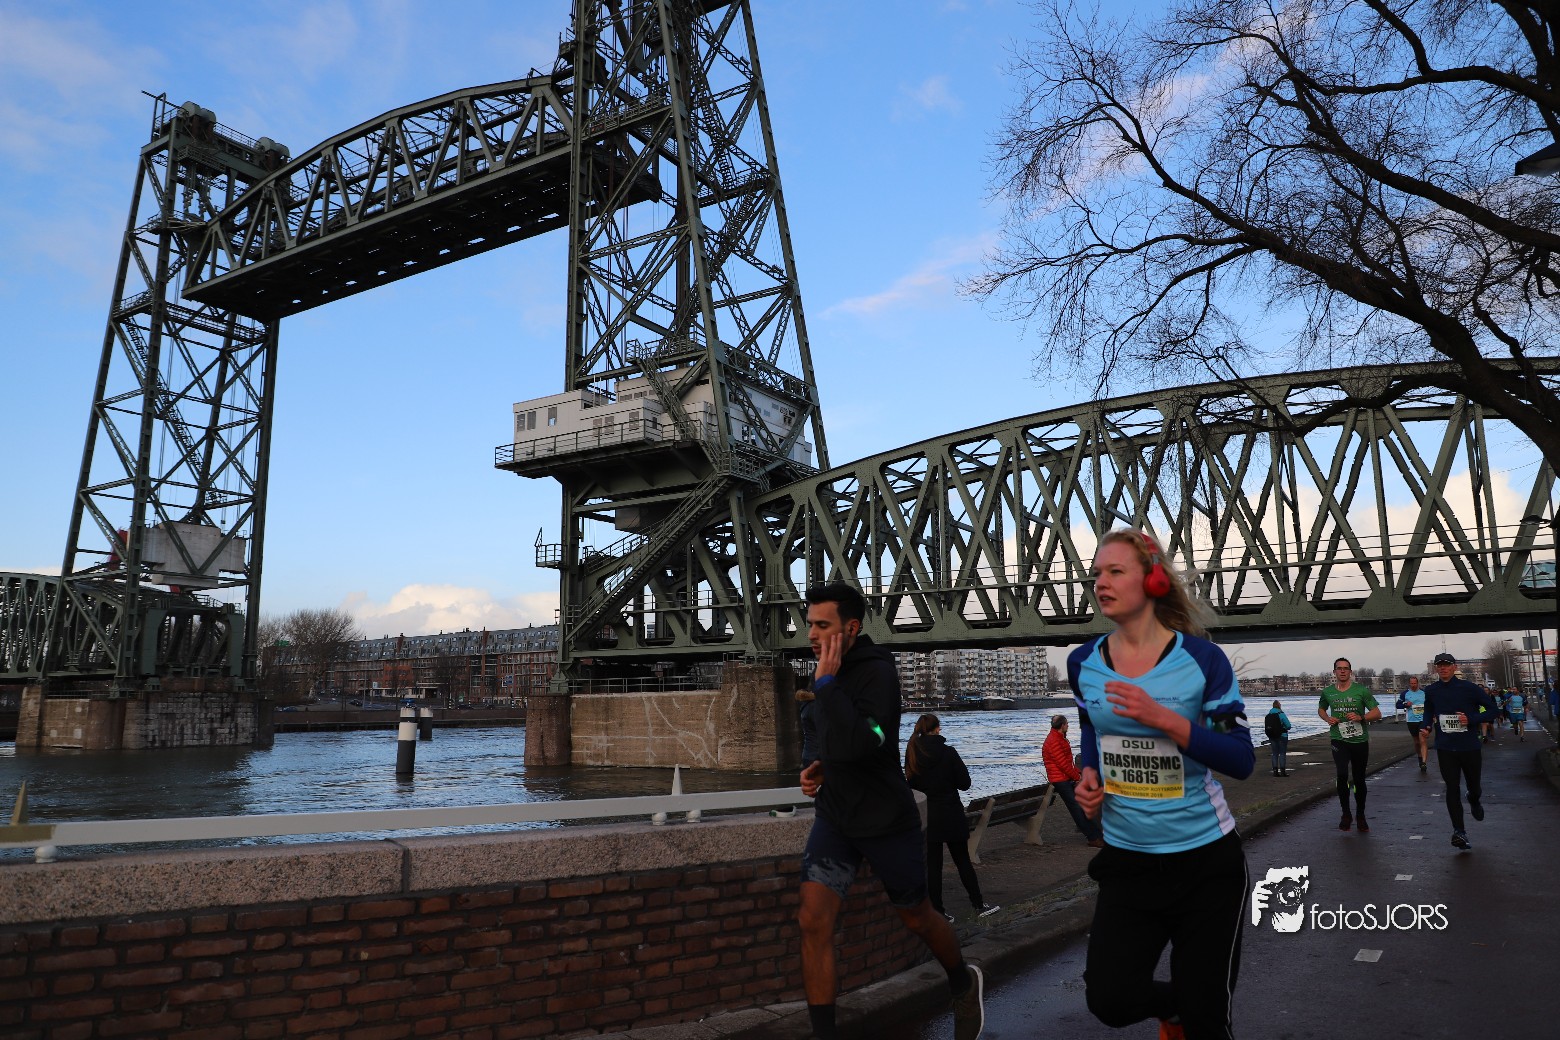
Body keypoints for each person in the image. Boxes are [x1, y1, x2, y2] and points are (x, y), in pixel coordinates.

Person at [1070, 529, 1254, 1040]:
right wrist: (1090, 775)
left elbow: (1241, 759)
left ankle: (1196, 1012)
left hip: (1205, 864)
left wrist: (1164, 719)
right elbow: (1091, 728)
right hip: (1128, 862)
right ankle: (1178, 1007)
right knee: (1110, 1000)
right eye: (1096, 573)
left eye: (1115, 571)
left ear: (1152, 580)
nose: (1100, 582)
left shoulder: (1202, 660)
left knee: (1208, 1024)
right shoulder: (1083, 662)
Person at [795, 582, 985, 1040]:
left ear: (851, 628)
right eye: (810, 625)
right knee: (812, 921)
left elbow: (868, 740)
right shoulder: (827, 674)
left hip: (884, 819)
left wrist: (825, 685)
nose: (812, 635)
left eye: (822, 625)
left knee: (916, 916)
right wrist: (818, 767)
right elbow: (831, 738)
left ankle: (962, 980)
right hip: (836, 817)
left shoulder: (876, 673)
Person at [905, 714, 999, 921]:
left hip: (928, 815)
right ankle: (978, 904)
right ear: (937, 728)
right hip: (950, 812)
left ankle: (938, 911)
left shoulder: (912, 753)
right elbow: (965, 783)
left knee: (933, 866)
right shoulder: (948, 752)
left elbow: (910, 785)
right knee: (962, 860)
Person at [1422, 652, 1487, 851]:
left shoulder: (1469, 688)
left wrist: (1471, 719)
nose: (1443, 668)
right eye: (1439, 665)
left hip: (1469, 746)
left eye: (1446, 665)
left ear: (1454, 667)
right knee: (1452, 787)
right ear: (1436, 668)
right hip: (1445, 747)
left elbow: (1492, 709)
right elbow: (1428, 711)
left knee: (1474, 787)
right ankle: (1459, 831)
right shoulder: (1431, 690)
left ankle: (1474, 799)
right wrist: (1426, 726)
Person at [1317, 658, 1382, 832]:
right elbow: (1321, 709)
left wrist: (1362, 717)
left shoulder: (1361, 690)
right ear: (1334, 672)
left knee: (1359, 779)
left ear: (1350, 672)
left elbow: (1377, 713)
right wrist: (1327, 718)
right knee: (1342, 774)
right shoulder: (1328, 692)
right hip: (1338, 739)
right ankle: (1346, 813)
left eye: (1346, 668)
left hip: (1359, 740)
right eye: (1339, 668)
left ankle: (1360, 815)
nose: (1342, 671)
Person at [1042, 714, 1104, 846]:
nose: (1068, 726)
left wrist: (1078, 773)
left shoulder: (1058, 738)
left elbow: (1067, 763)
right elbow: (1063, 764)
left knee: (1081, 806)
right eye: (1067, 724)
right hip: (1060, 779)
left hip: (1063, 777)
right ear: (1062, 725)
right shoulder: (1054, 741)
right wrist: (1077, 777)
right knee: (1076, 808)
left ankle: (1096, 834)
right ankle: (1093, 837)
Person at [1399, 675, 1428, 774]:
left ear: (1418, 683)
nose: (1413, 685)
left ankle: (1424, 762)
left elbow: (1430, 704)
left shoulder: (1424, 693)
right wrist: (1405, 704)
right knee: (1416, 742)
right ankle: (1419, 756)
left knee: (1422, 740)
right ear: (1409, 684)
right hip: (1411, 720)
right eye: (1411, 683)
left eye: (1415, 683)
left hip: (1423, 720)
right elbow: (1398, 705)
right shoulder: (1405, 694)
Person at [1262, 700, 1291, 777]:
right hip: (1282, 736)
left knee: (1274, 753)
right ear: (1279, 706)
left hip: (1272, 736)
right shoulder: (1281, 714)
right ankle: (1282, 771)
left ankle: (1275, 771)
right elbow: (1288, 725)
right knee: (1282, 753)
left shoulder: (1269, 715)